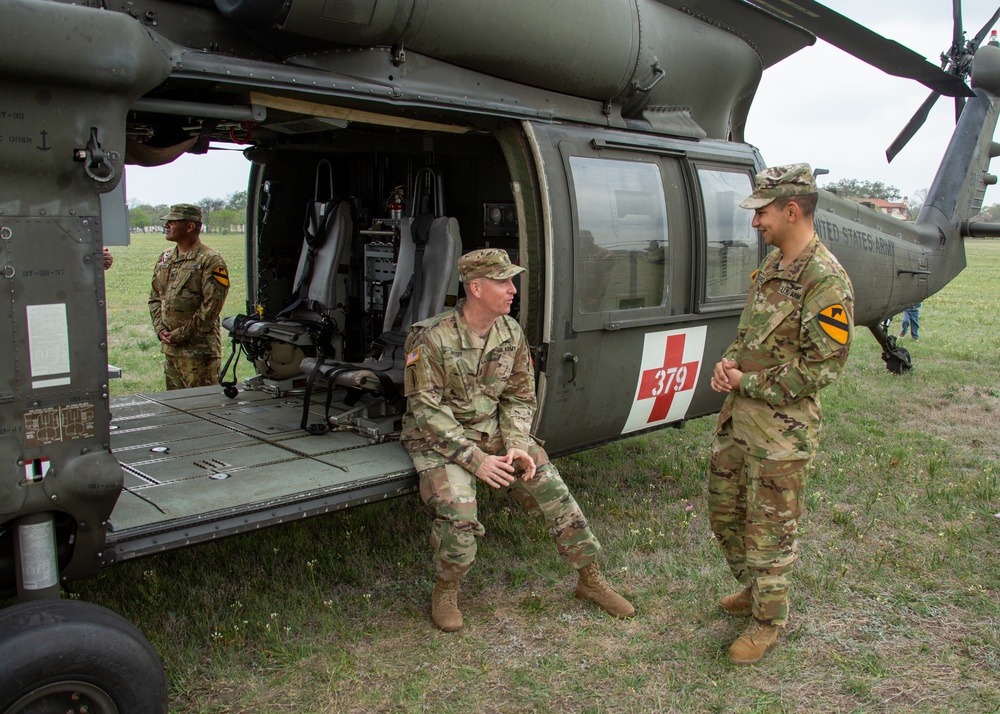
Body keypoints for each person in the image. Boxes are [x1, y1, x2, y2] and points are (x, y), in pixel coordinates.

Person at [401, 248, 634, 632]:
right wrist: (477, 460)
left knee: (553, 491)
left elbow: (520, 395)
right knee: (459, 518)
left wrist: (516, 445)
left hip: (494, 432)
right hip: (440, 439)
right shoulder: (430, 337)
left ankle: (590, 580)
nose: (513, 290)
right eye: (503, 282)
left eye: (512, 281)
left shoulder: (510, 331)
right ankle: (446, 589)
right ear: (476, 288)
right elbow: (426, 412)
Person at [707, 164, 854, 665]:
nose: (755, 223)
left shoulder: (826, 281)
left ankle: (767, 623)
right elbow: (753, 335)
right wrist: (728, 363)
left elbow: (822, 368)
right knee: (726, 512)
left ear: (792, 211)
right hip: (739, 419)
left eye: (762, 213)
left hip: (781, 434)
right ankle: (753, 590)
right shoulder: (771, 268)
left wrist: (745, 381)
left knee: (770, 530)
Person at [148, 204, 230, 390]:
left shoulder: (210, 260)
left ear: (190, 226)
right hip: (171, 350)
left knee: (202, 407)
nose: (166, 225)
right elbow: (154, 298)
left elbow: (212, 306)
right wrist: (161, 329)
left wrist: (181, 335)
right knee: (176, 406)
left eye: (173, 222)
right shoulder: (165, 258)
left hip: (199, 353)